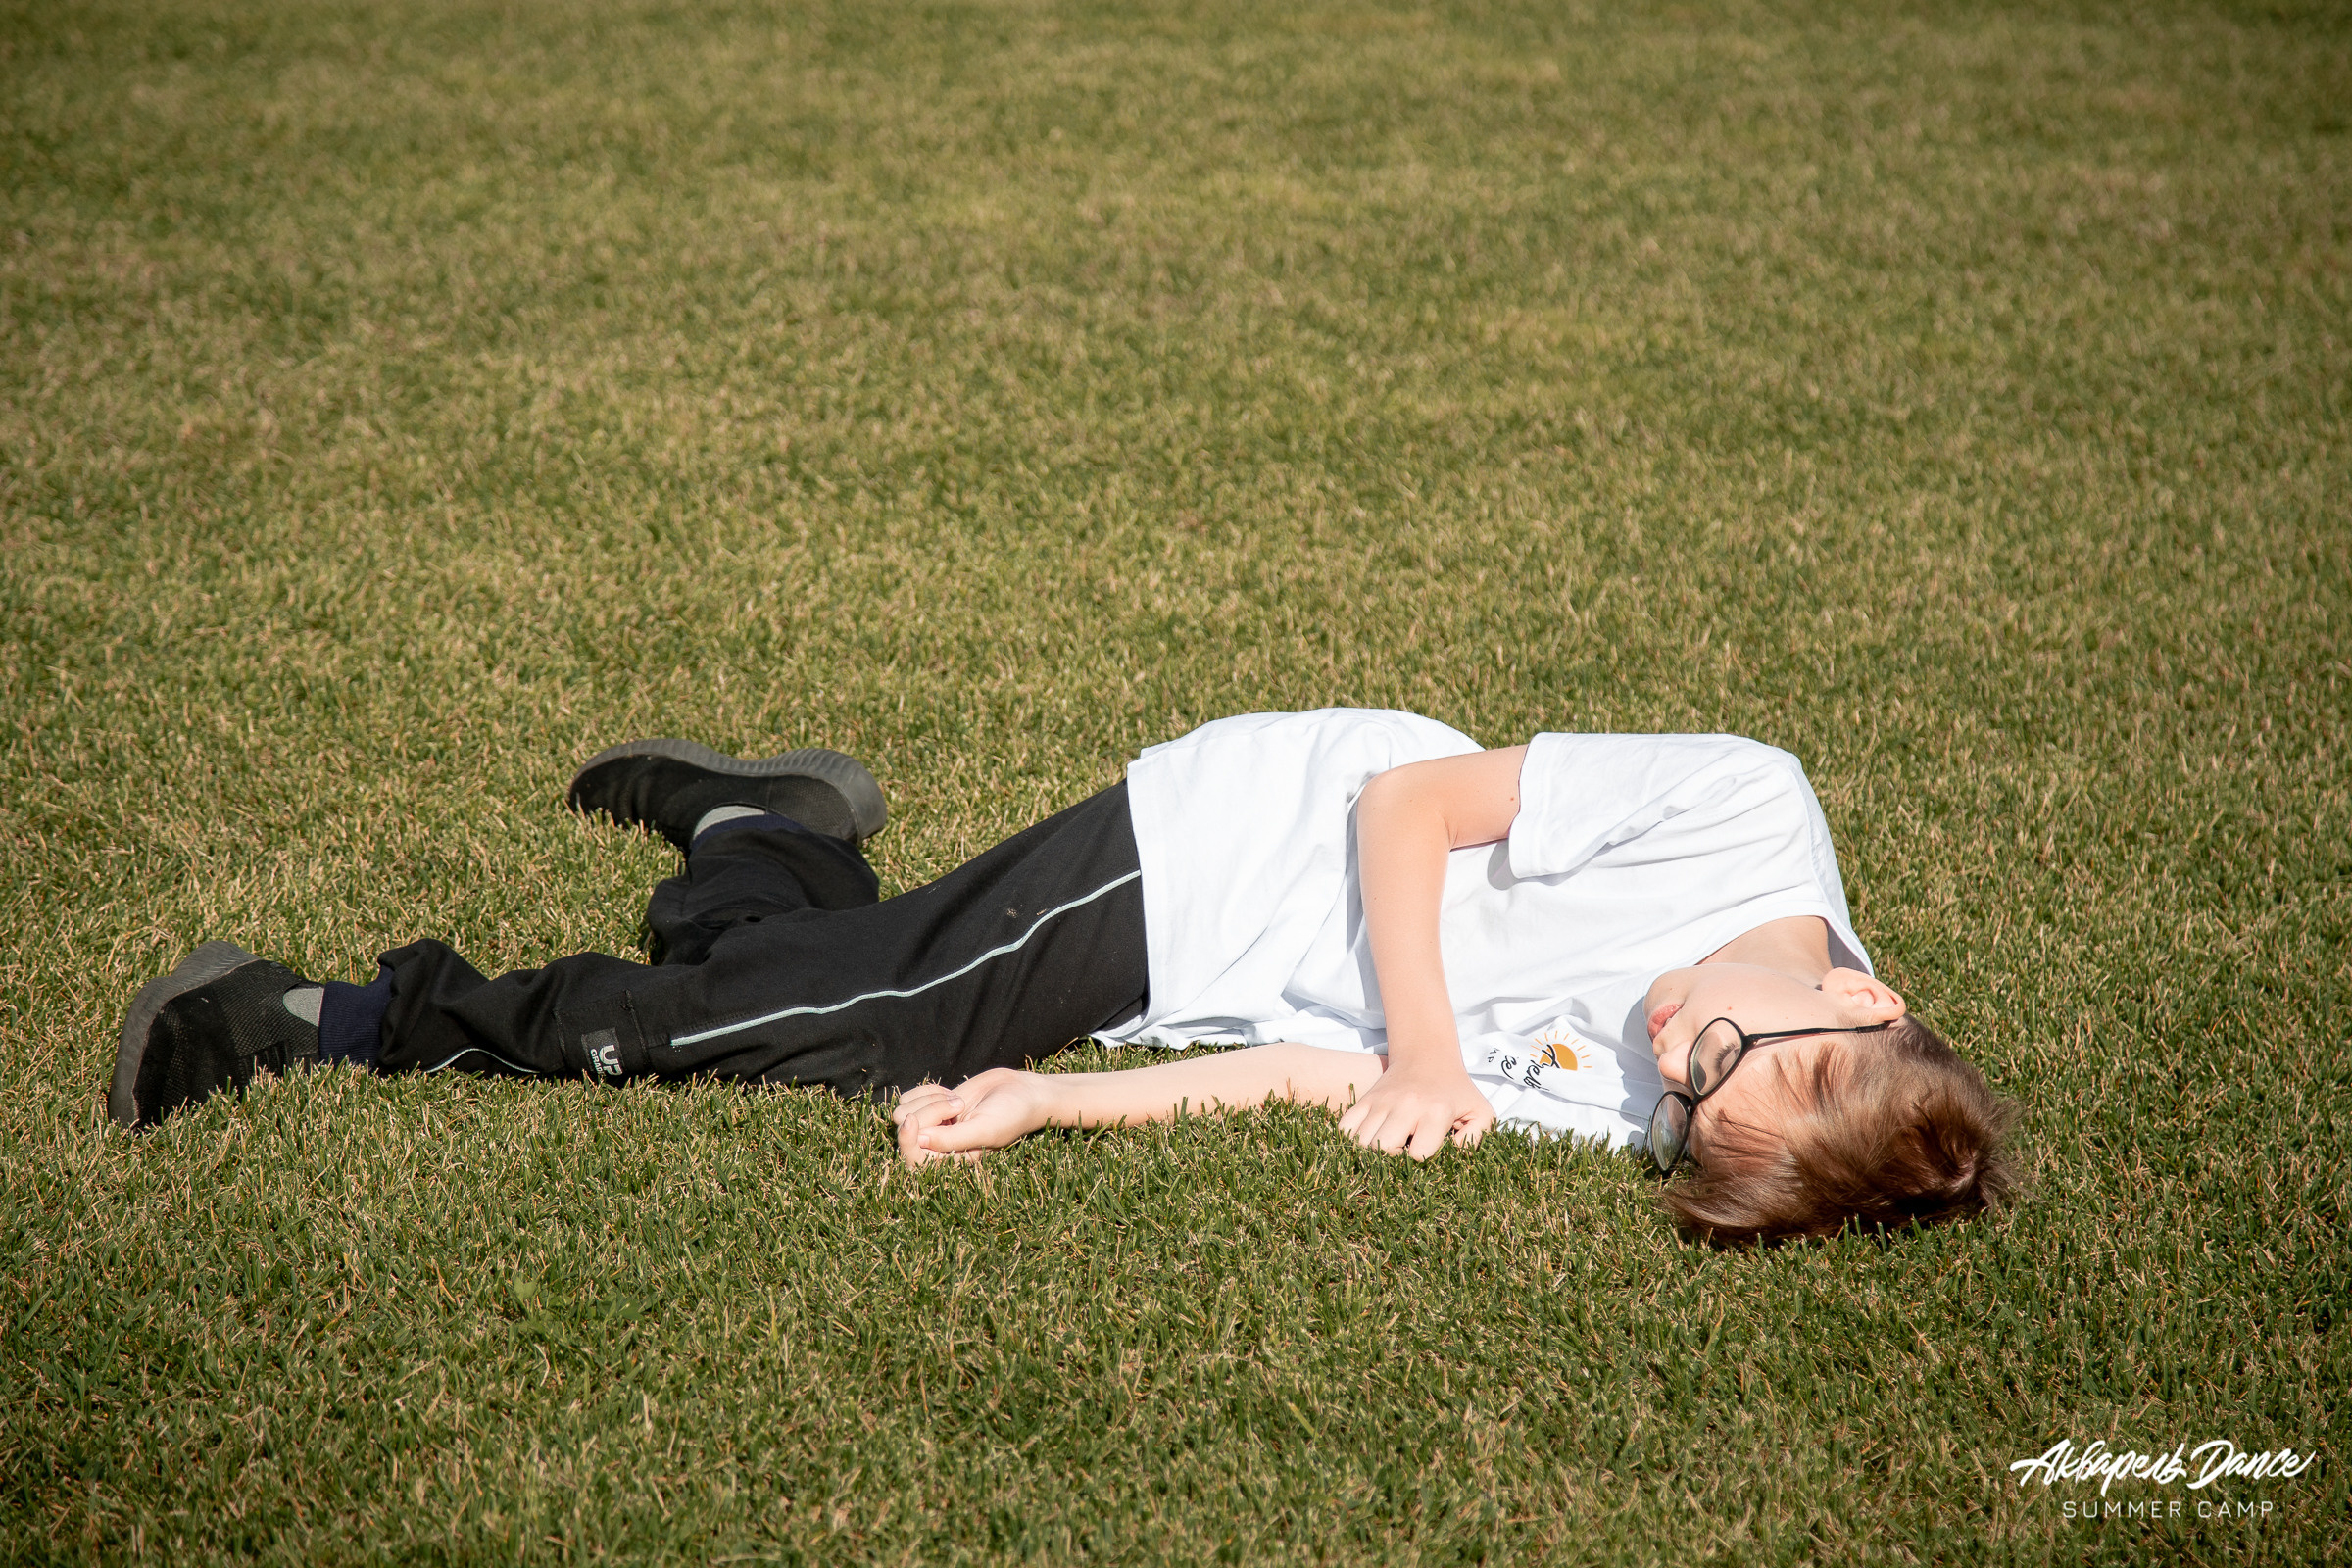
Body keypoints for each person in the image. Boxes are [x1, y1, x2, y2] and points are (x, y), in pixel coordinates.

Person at [111, 709, 2016, 1244]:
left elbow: (1310, 1077)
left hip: (1223, 974)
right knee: (827, 1028)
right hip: (1237, 842)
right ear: (1855, 1001)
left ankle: (756, 828)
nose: (1671, 1058)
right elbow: (1420, 802)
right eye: (1722, 1052)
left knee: (849, 999)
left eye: (1689, 1099)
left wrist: (1051, 1096)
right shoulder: (1745, 813)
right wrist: (1430, 1038)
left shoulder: (1666, 1100)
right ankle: (316, 1015)